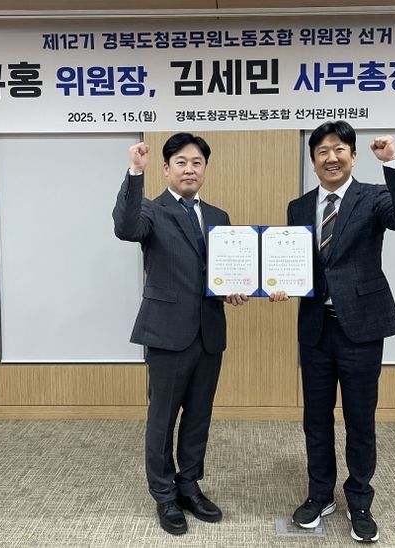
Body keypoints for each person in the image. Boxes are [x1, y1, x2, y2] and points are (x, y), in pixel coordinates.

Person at [270, 121, 395, 543]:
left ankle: (359, 500)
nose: (331, 157)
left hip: (362, 328)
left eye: (339, 149)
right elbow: (296, 262)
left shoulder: (374, 197)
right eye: (322, 151)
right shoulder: (299, 206)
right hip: (315, 329)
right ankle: (320, 494)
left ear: (353, 156)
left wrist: (393, 163)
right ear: (313, 161)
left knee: (360, 419)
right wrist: (278, 282)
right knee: (315, 418)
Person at [112, 133, 248, 536]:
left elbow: (223, 272)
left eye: (197, 162)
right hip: (166, 332)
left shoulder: (220, 217)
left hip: (209, 333)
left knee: (198, 417)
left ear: (205, 169)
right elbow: (125, 227)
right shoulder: (151, 210)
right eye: (181, 162)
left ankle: (189, 485)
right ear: (167, 168)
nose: (190, 169)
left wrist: (235, 288)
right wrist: (135, 172)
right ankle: (164, 494)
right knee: (162, 419)